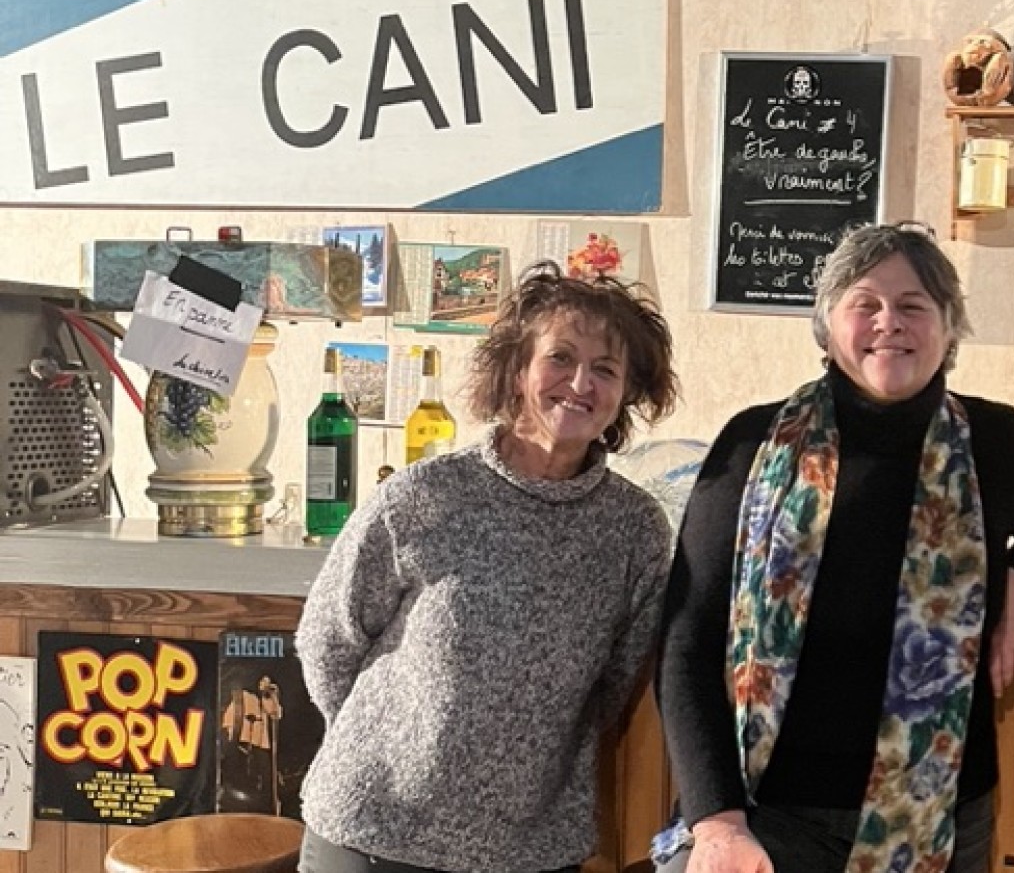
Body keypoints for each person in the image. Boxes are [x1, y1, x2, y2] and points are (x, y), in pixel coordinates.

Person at [653, 222, 1014, 873]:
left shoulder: (1002, 442)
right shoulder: (753, 444)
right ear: (827, 325)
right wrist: (717, 821)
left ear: (950, 328)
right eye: (864, 303)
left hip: (937, 816)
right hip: (766, 813)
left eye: (913, 305)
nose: (888, 322)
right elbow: (686, 641)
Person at [295, 266, 680, 873]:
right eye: (560, 357)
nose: (580, 383)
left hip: (528, 852)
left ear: (627, 393)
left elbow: (612, 691)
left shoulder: (636, 530)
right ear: (518, 370)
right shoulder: (424, 496)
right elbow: (327, 638)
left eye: (605, 369)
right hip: (370, 834)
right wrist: (393, 749)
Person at [220, 674, 283, 812]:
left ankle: (266, 804)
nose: (265, 683)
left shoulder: (265, 697)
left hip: (260, 741)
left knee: (265, 771)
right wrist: (233, 734)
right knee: (240, 770)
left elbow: (275, 713)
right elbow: (231, 717)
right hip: (243, 738)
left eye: (266, 681)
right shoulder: (243, 695)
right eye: (263, 681)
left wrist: (270, 695)